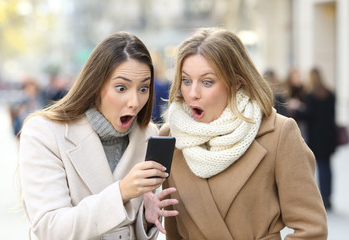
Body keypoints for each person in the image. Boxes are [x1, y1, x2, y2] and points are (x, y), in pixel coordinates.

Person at [158, 28, 327, 239]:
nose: (193, 94)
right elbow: (172, 230)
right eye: (186, 81)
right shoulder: (170, 138)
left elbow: (312, 229)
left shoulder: (279, 134)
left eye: (207, 82)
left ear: (236, 82)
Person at [18, 32, 177, 240]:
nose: (135, 101)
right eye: (121, 88)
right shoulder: (44, 132)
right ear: (95, 85)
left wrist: (145, 220)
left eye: (144, 88)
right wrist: (121, 192)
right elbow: (50, 228)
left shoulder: (148, 135)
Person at [295, 67, 336, 210]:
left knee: (317, 166)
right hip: (328, 136)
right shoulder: (330, 94)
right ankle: (328, 196)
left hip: (316, 137)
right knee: (327, 167)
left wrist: (298, 109)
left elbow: (309, 115)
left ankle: (320, 198)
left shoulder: (311, 96)